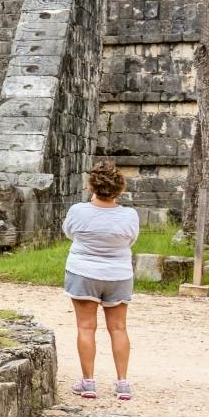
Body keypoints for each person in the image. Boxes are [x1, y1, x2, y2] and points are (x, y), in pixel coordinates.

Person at [64, 160, 142, 402]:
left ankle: (88, 382)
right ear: (120, 188)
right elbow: (131, 240)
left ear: (91, 186)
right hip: (118, 274)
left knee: (86, 327)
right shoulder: (129, 215)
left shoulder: (78, 211)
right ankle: (122, 383)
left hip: (84, 271)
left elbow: (69, 233)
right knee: (118, 328)